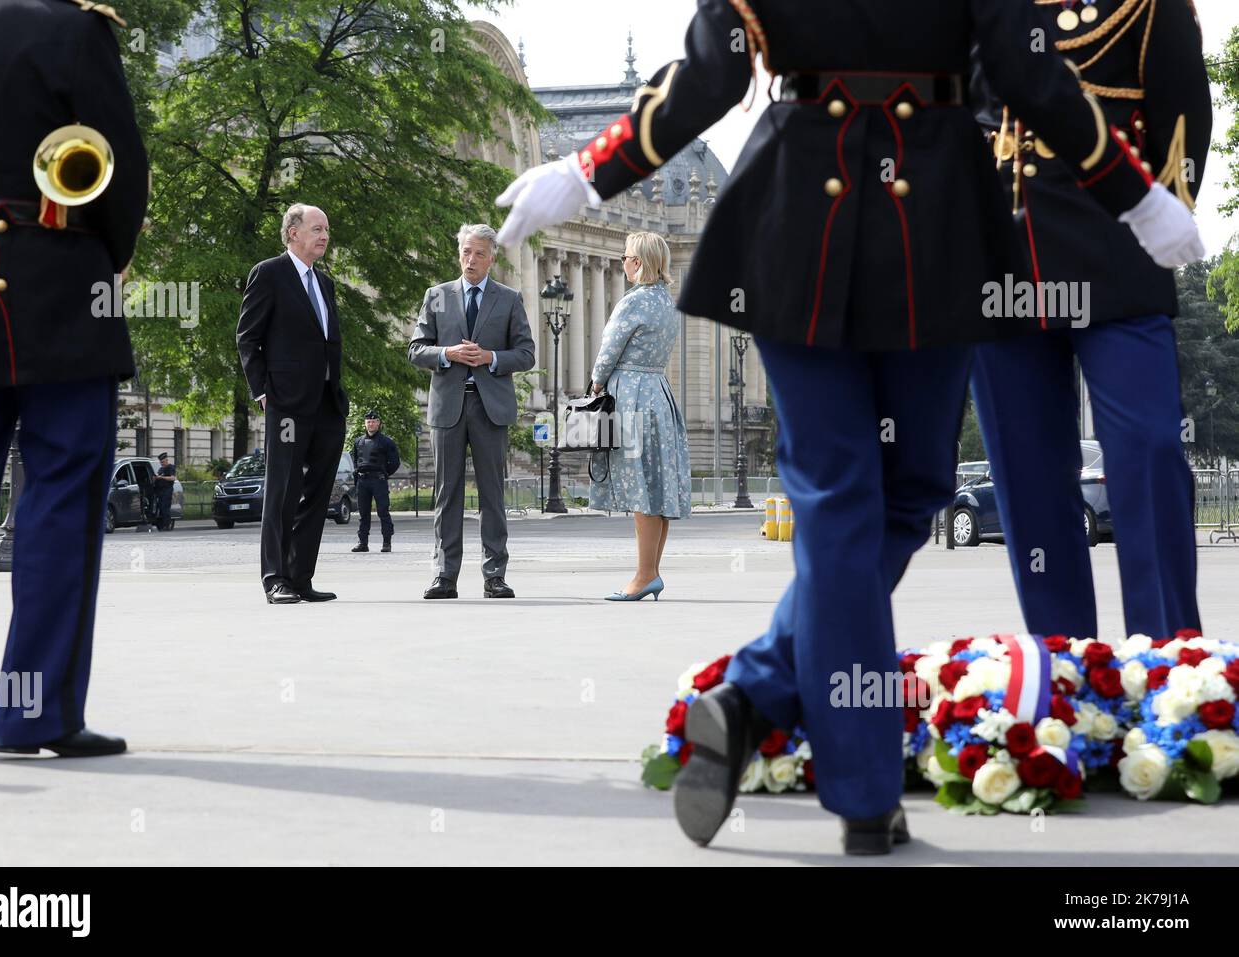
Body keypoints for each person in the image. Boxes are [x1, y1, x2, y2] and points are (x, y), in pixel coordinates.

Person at [495, 0, 1204, 853]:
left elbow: (715, 73)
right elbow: (1023, 70)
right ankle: (863, 795)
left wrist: (589, 171)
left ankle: (754, 690)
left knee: (904, 495)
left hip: (824, 221)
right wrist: (585, 171)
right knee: (847, 501)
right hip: (914, 220)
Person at [0, 0, 148, 758]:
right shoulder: (74, 28)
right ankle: (36, 713)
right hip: (57, 285)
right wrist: (111, 258)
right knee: (60, 492)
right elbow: (119, 168)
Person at [968, 0, 1211, 642]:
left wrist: (1161, 229)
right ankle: (1067, 669)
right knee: (1027, 478)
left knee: (1151, 455)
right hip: (1002, 268)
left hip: (1117, 259)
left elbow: (1183, 124)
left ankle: (1170, 665)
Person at [408, 224, 535, 600]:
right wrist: (447, 353)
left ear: (492, 257)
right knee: (446, 493)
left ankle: (495, 575)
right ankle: (444, 576)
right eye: (466, 252)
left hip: (489, 407)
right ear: (458, 254)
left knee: (492, 495)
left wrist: (490, 357)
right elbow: (416, 349)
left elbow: (526, 353)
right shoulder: (437, 296)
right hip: (448, 407)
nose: (471, 260)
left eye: (479, 253)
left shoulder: (509, 299)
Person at [236, 203, 350, 605]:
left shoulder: (325, 283)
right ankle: (275, 579)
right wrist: (263, 391)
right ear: (292, 233)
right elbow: (248, 337)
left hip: (327, 404)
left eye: (327, 230)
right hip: (286, 404)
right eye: (317, 228)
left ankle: (301, 577)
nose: (324, 236)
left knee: (318, 494)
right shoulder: (269, 274)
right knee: (283, 491)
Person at [588, 231, 691, 601]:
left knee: (640, 488)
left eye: (626, 256)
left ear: (638, 262)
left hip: (630, 396)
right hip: (659, 394)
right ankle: (652, 572)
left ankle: (644, 574)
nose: (623, 261)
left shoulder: (633, 303)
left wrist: (596, 384)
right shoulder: (667, 301)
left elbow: (609, 350)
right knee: (657, 485)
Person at [351, 410, 401, 553]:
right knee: (363, 514)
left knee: (383, 512)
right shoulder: (358, 441)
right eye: (368, 422)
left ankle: (386, 543)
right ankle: (363, 543)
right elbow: (355, 460)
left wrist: (384, 473)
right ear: (365, 424)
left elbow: (395, 462)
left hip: (378, 480)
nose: (370, 424)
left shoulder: (387, 442)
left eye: (373, 421)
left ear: (378, 423)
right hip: (363, 481)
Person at [153, 452, 177, 531]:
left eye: (163, 462)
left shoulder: (171, 467)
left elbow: (172, 478)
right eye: (161, 462)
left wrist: (162, 477)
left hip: (167, 490)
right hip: (160, 491)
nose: (162, 464)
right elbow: (157, 476)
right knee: (160, 507)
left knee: (165, 507)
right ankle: (162, 524)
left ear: (167, 460)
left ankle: (167, 524)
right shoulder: (161, 469)